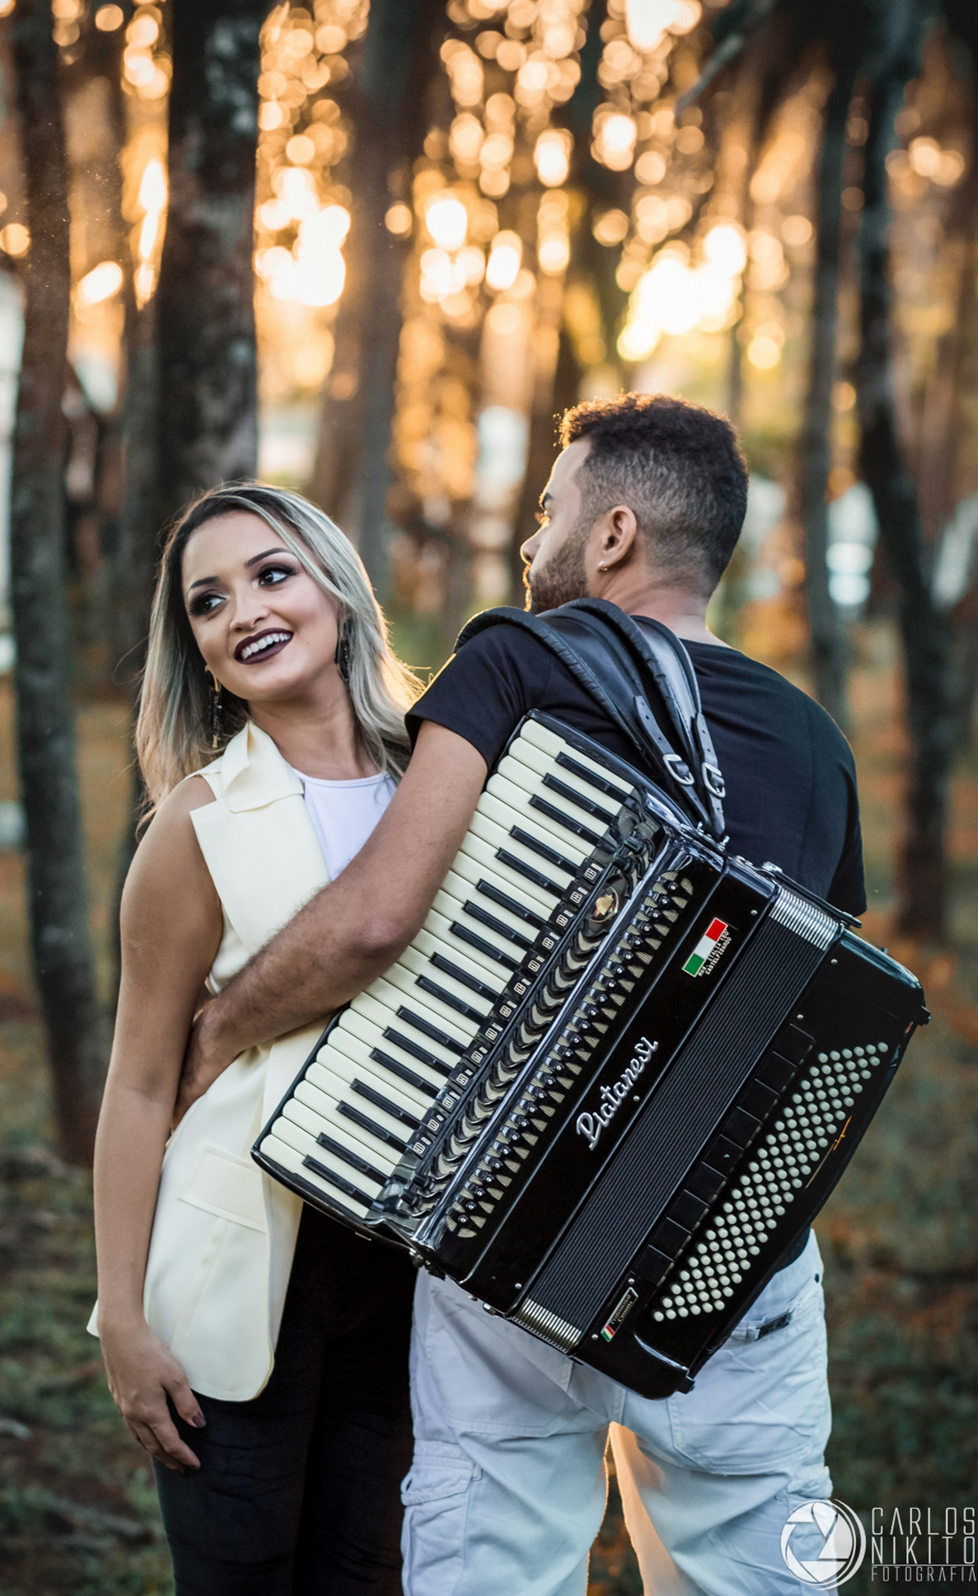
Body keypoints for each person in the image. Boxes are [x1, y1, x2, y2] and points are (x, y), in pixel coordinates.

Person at [176, 395, 867, 1595]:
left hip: (519, 1249)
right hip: (730, 1282)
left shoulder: (516, 661)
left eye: (547, 512)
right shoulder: (815, 740)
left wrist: (219, 1027)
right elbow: (804, 1002)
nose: (528, 542)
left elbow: (381, 916)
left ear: (608, 537)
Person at [91, 482, 422, 1596]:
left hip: (410, 1275)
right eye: (208, 602)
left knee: (365, 1576)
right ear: (197, 651)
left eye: (271, 574)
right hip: (238, 1269)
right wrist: (122, 1321)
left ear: (334, 586)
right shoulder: (195, 824)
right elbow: (139, 1085)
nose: (244, 612)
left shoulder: (444, 784)